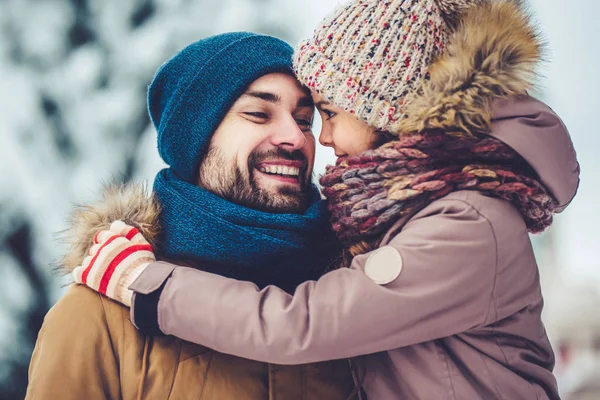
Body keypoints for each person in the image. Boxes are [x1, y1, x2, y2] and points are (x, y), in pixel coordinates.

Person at [76, 0, 580, 399]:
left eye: (323, 112)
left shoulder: (465, 221)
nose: (321, 138)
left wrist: (146, 285)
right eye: (258, 114)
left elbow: (302, 325)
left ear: (386, 107)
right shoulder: (94, 319)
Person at [25, 33, 358, 399]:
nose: (295, 137)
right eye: (259, 114)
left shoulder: (355, 293)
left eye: (304, 119)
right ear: (195, 139)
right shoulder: (100, 316)